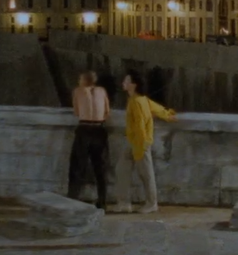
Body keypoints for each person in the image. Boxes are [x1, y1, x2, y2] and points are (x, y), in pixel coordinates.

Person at [112, 68, 177, 214]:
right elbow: (155, 108)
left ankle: (151, 203)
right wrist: (167, 114)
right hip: (134, 142)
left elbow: (141, 124)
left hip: (140, 143)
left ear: (133, 85)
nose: (124, 82)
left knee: (146, 174)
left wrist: (141, 146)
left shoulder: (137, 102)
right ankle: (124, 203)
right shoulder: (139, 100)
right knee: (122, 169)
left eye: (127, 80)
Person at [68, 71, 111, 208]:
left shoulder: (78, 91)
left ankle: (72, 198)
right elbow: (107, 112)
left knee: (78, 166)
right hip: (99, 129)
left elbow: (76, 112)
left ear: (83, 81)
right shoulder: (102, 91)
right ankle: (102, 201)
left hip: (84, 128)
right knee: (100, 167)